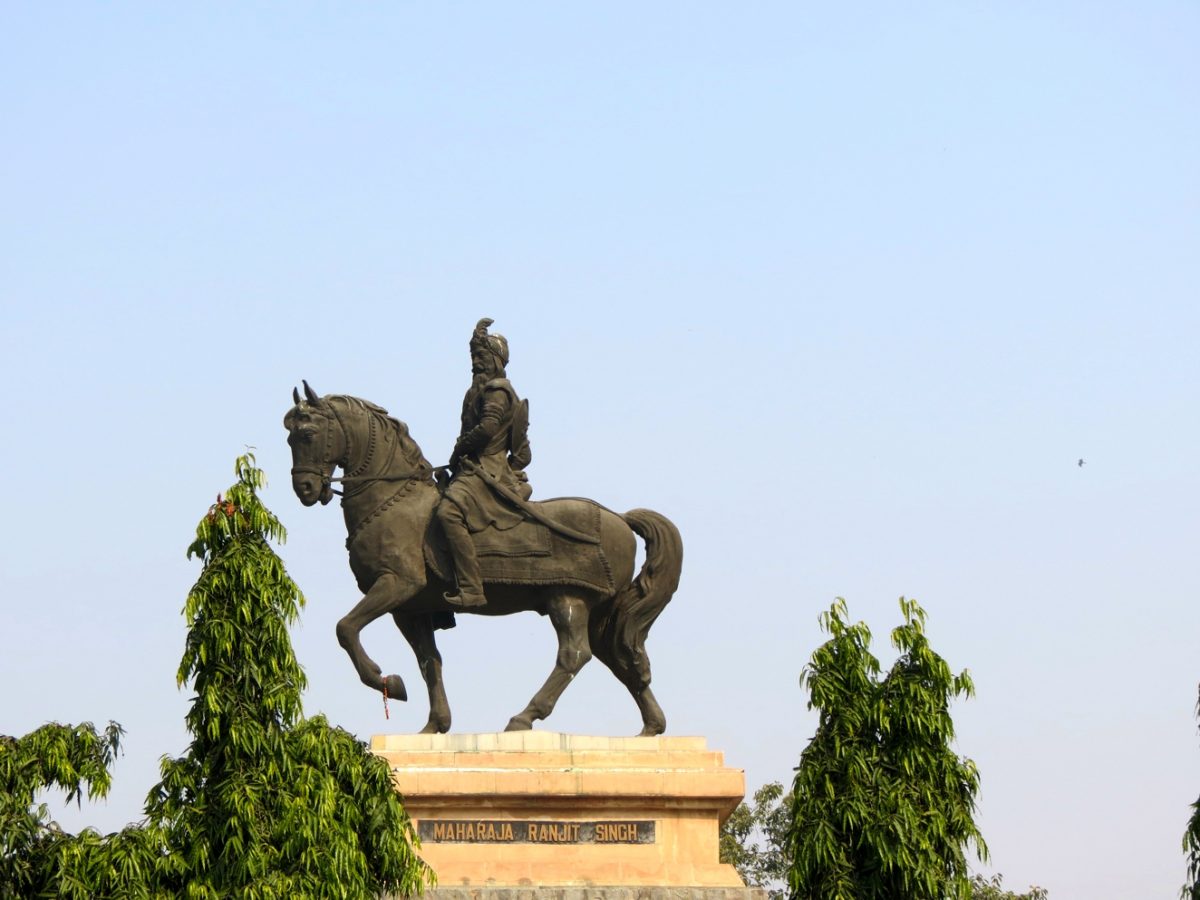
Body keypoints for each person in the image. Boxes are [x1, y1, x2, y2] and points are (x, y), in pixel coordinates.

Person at [436, 318, 531, 608]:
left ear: (496, 360)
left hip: (487, 470)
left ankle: (471, 587)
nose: (476, 363)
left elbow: (488, 429)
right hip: (469, 468)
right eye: (473, 357)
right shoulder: (475, 391)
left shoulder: (497, 391)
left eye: (481, 357)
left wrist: (459, 448)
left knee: (448, 513)